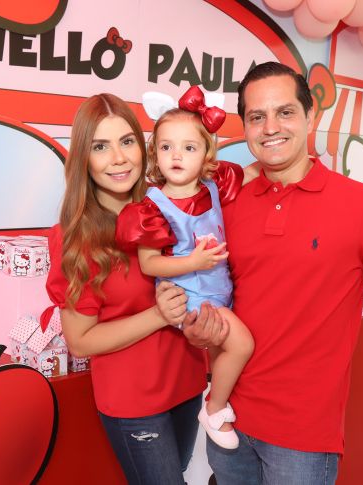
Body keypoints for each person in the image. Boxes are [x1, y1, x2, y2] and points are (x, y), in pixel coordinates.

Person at [158, 62, 363, 485]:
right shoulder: (228, 205)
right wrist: (197, 328)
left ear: (310, 115)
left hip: (304, 437)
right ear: (245, 127)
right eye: (256, 117)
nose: (270, 128)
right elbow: (215, 294)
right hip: (228, 420)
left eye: (285, 112)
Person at [41, 93, 210, 485]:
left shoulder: (169, 206)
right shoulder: (74, 238)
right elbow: (80, 341)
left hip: (187, 383)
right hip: (134, 402)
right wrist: (158, 315)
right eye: (100, 146)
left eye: (127, 141)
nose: (118, 158)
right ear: (83, 158)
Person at [115, 86, 255, 450]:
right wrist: (194, 261)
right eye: (167, 147)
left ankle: (218, 394)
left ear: (207, 153)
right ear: (154, 153)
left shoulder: (214, 187)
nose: (176, 155)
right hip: (189, 299)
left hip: (219, 290)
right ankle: (215, 409)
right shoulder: (153, 207)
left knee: (225, 351)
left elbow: (253, 174)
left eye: (189, 148)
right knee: (242, 344)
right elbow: (149, 263)